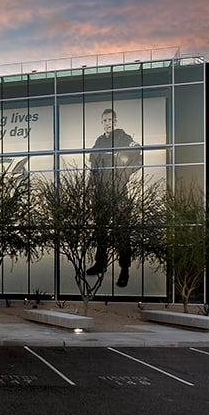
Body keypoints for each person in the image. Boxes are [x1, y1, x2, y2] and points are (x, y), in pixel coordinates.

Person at [86, 108, 142, 287]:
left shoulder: (123, 138)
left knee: (122, 231)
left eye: (110, 119)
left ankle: (124, 269)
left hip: (118, 193)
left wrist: (123, 176)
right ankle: (100, 263)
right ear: (101, 122)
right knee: (101, 229)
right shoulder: (99, 141)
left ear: (115, 121)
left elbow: (138, 157)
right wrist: (90, 186)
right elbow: (93, 166)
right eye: (104, 120)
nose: (107, 123)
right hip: (101, 193)